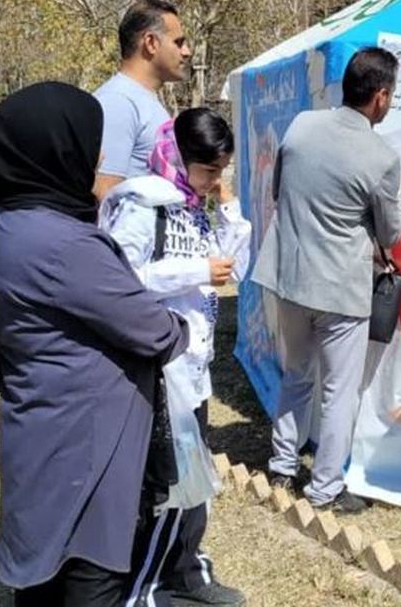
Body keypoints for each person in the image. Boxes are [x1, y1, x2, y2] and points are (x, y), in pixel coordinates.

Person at [0, 82, 190, 605]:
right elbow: (154, 330)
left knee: (42, 570)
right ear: (57, 147)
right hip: (84, 446)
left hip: (45, 428)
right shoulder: (62, 242)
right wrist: (180, 326)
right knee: (87, 573)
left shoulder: (10, 220)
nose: (98, 155)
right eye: (90, 140)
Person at [252, 47, 401, 513]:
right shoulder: (382, 157)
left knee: (296, 375)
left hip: (289, 275)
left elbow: (279, 192)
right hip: (340, 290)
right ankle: (325, 488)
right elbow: (391, 232)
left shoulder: (302, 126)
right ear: (382, 96)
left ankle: (282, 465)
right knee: (339, 392)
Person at [99, 107, 250, 607]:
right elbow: (119, 281)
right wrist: (195, 272)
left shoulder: (189, 204)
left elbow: (231, 269)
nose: (212, 183)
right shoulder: (142, 204)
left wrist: (227, 212)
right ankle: (143, 586)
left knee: (193, 480)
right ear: (175, 156)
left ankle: (186, 572)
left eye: (219, 173)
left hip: (193, 370)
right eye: (207, 171)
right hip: (159, 372)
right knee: (164, 486)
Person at [93, 0, 192, 200]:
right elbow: (105, 195)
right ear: (151, 43)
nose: (186, 52)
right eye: (178, 42)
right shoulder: (118, 102)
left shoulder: (144, 100)